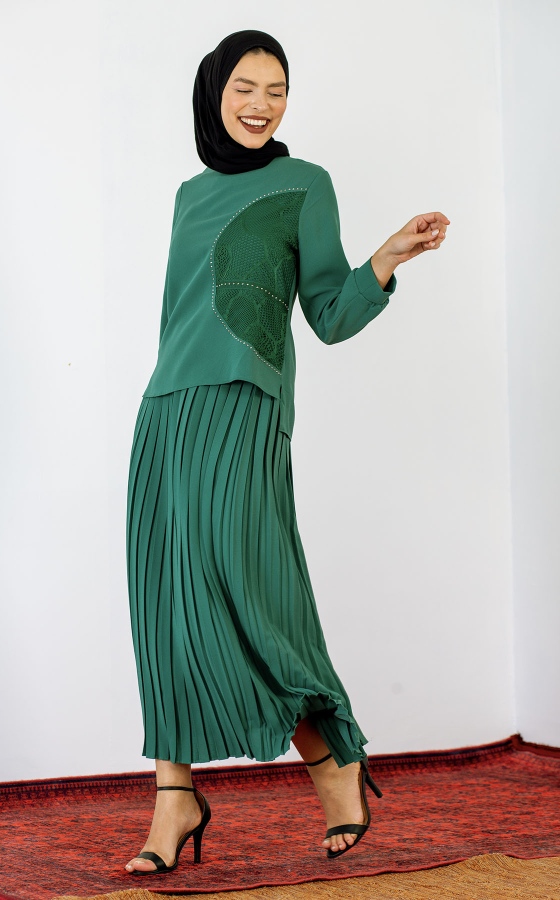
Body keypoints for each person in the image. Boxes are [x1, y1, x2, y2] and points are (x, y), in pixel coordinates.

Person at [124, 30, 449, 876]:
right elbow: (178, 315)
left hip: (247, 405)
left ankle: (331, 759)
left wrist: (387, 257)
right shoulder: (190, 194)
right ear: (214, 92)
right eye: (245, 86)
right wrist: (162, 405)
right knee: (166, 602)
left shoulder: (306, 183)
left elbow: (330, 316)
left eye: (276, 90)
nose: (261, 104)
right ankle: (173, 797)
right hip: (167, 410)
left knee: (247, 597)